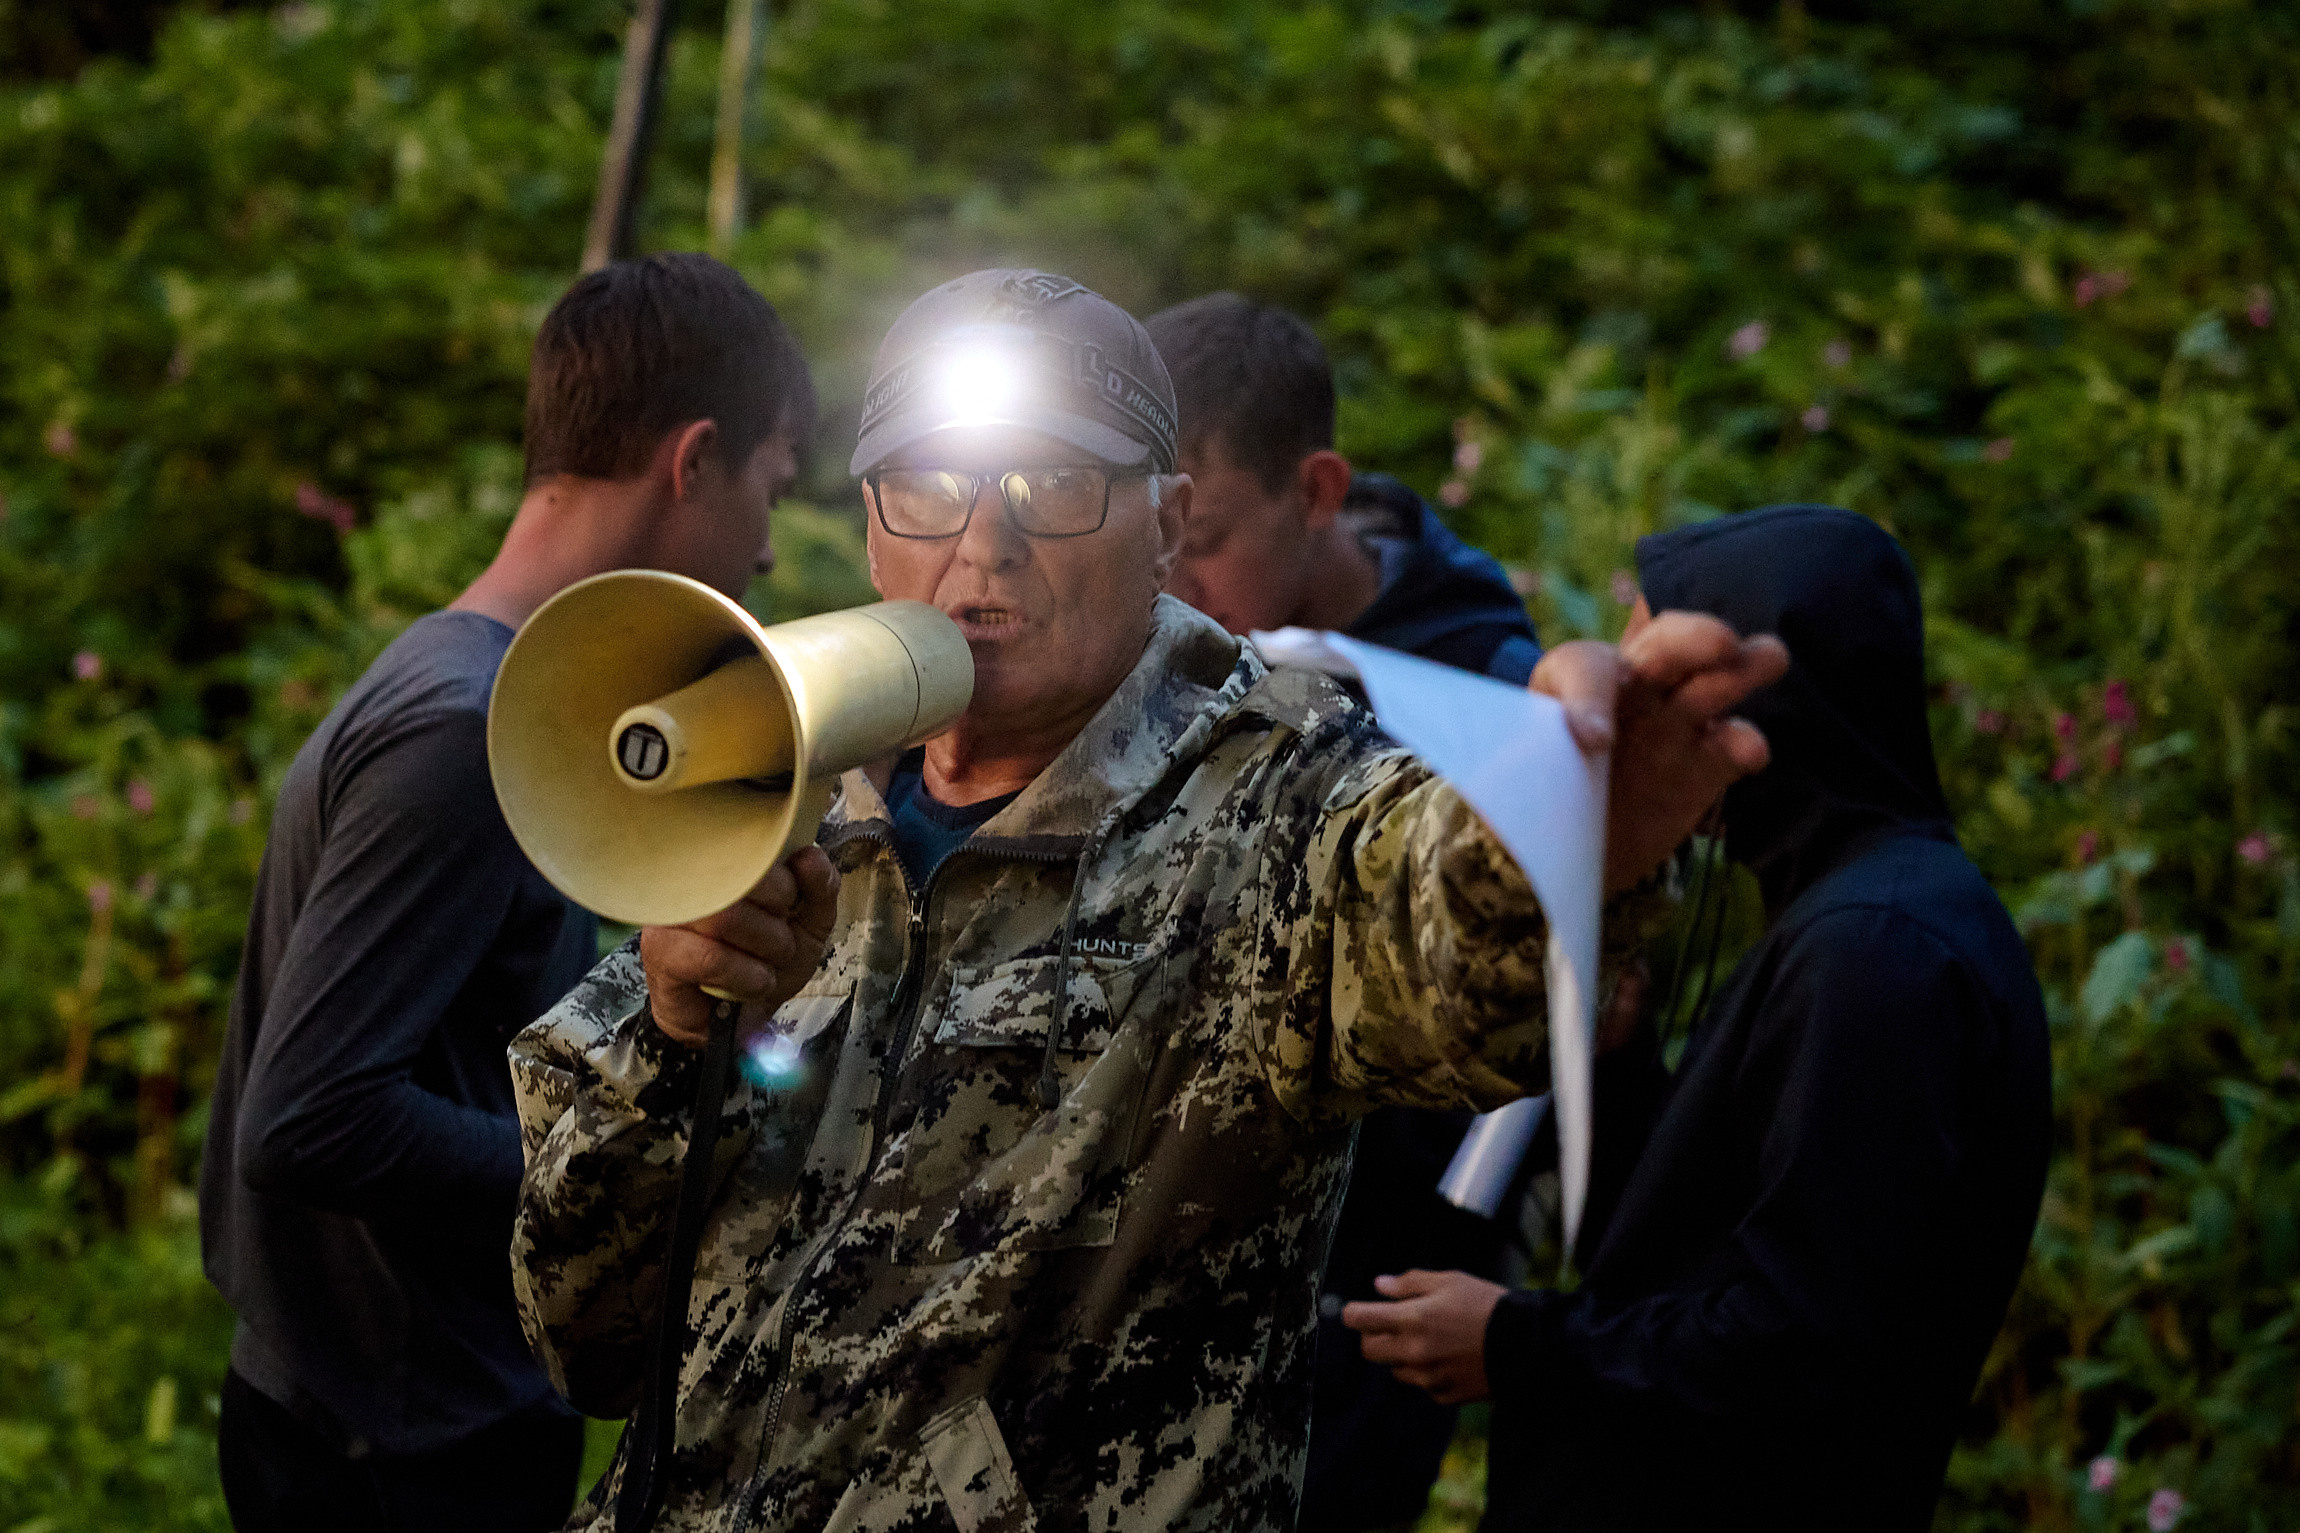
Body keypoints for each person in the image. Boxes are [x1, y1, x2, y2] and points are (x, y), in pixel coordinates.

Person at [507, 268, 1787, 1533]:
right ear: (868, 515)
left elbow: (1437, 939)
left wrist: (1567, 832)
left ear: (1166, 520)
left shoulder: (1275, 791)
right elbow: (588, 1345)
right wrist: (675, 1037)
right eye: (929, 486)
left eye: (1058, 487)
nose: (984, 546)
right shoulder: (781, 765)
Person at [200, 253, 816, 1533]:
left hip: (378, 1414)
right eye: (770, 487)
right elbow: (311, 1116)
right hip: (404, 1452)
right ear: (692, 458)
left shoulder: (459, 678)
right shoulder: (468, 732)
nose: (762, 546)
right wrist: (621, 1174)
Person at [1339, 505, 2052, 1532]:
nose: (1622, 717)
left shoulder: (1876, 950)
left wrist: (1514, 1344)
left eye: (1647, 675)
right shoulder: (1842, 915)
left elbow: (1801, 1343)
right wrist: (1623, 1064)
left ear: (1759, 694)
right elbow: (1694, 1249)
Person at [1145, 290, 1538, 1533]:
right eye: (1145, 539)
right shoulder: (1151, 652)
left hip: (1375, 1285)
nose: (1171, 585)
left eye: (1198, 540)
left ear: (1317, 489)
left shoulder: (1481, 688)